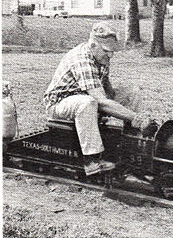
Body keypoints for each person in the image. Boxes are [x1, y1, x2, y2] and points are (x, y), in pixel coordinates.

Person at [44, 22, 150, 176]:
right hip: (60, 103)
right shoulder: (81, 59)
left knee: (132, 92)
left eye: (112, 52)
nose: (110, 55)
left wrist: (119, 101)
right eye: (107, 51)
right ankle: (91, 159)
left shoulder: (101, 57)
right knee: (88, 102)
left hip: (85, 98)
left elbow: (106, 86)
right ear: (93, 45)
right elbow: (100, 100)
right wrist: (136, 117)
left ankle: (132, 142)